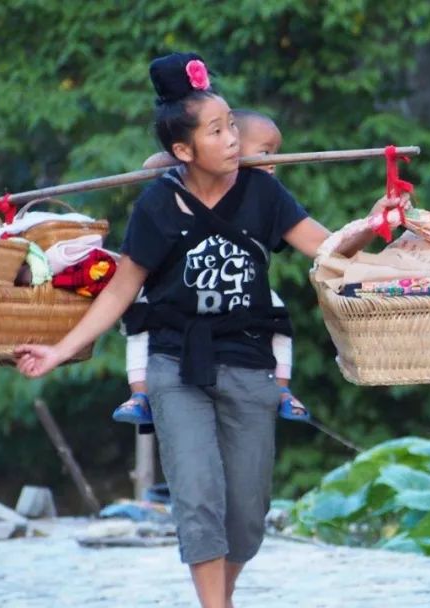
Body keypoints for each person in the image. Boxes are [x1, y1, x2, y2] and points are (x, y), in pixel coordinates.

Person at [14, 52, 399, 608]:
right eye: (217, 131)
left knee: (246, 514)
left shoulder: (264, 195)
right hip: (176, 367)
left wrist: (372, 223)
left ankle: (224, 597)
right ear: (183, 150)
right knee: (197, 498)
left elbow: (329, 250)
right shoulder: (157, 205)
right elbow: (121, 291)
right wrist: (56, 352)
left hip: (249, 363)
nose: (233, 140)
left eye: (232, 127)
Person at [113, 109, 309, 426]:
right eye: (265, 152)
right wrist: (195, 158)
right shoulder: (188, 182)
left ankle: (282, 390)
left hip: (240, 304)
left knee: (278, 311)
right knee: (138, 315)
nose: (273, 161)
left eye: (275, 153)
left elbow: (321, 243)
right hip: (177, 301)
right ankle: (139, 393)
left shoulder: (264, 194)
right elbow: (151, 165)